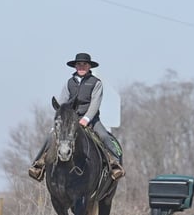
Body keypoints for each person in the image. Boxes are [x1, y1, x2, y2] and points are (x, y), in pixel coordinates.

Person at [28, 52, 125, 182]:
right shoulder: (69, 83)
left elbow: (95, 104)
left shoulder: (96, 83)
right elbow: (62, 104)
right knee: (50, 137)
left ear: (89, 66)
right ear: (75, 66)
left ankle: (115, 164)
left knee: (104, 136)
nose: (81, 67)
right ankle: (38, 164)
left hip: (91, 120)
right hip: (69, 121)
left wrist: (86, 119)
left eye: (84, 64)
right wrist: (60, 122)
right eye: (79, 64)